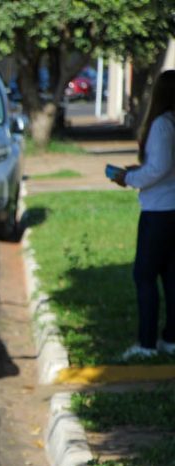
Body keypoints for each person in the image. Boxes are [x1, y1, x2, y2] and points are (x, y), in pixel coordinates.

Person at [109, 70, 175, 359]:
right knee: (171, 277)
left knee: (144, 276)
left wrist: (129, 178)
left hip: (158, 211)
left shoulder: (161, 124)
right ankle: (171, 338)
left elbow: (159, 168)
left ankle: (146, 344)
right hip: (171, 208)